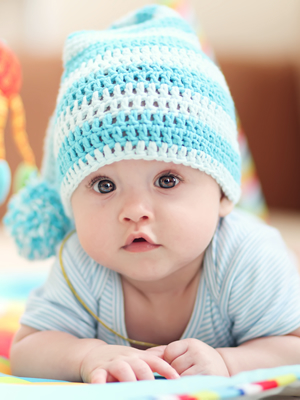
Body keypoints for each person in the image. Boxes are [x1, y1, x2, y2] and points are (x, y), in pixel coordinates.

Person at [5, 4, 300, 384]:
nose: (135, 211)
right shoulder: (81, 264)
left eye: (167, 181)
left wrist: (230, 363)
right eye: (104, 185)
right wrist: (87, 355)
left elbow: (293, 344)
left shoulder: (247, 258)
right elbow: (28, 351)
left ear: (224, 193)